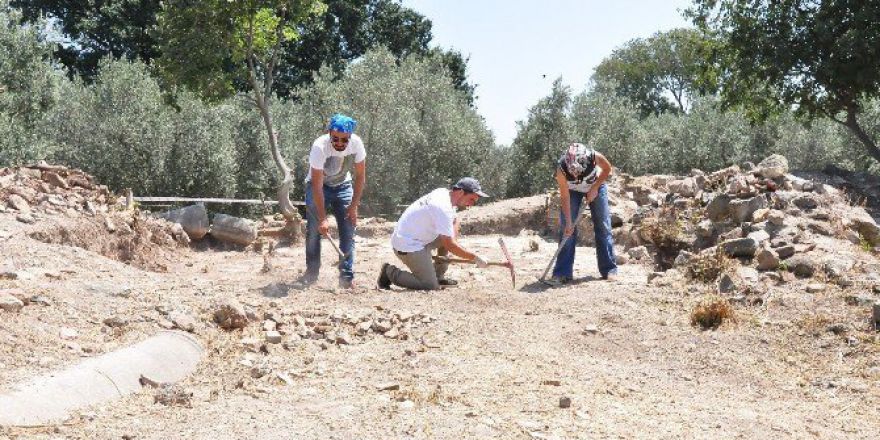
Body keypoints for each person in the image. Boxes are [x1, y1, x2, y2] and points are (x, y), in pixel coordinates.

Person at [377, 177, 496, 290]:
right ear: (460, 192)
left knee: (448, 238)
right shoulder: (442, 207)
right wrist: (474, 257)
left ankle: (438, 276)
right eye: (471, 199)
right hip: (408, 245)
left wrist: (452, 240)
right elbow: (450, 244)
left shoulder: (444, 193)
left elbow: (454, 220)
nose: (472, 204)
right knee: (429, 285)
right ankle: (389, 272)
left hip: (418, 238)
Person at [303, 113, 366, 289]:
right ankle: (311, 273)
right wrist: (322, 218)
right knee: (314, 231)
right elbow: (316, 184)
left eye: (344, 140)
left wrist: (353, 207)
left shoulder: (357, 144)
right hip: (318, 186)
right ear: (330, 133)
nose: (339, 143)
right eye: (336, 139)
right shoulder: (319, 146)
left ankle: (346, 277)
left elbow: (360, 177)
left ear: (350, 137)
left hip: (343, 185)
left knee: (348, 229)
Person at [543, 143, 618, 286]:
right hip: (572, 192)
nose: (576, 174)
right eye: (573, 172)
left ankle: (609, 269)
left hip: (596, 186)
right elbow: (565, 197)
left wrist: (595, 188)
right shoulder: (561, 170)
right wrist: (569, 222)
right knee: (567, 229)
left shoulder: (594, 156)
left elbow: (608, 169)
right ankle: (562, 273)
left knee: (603, 225)